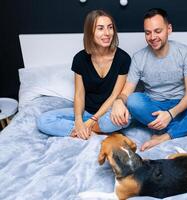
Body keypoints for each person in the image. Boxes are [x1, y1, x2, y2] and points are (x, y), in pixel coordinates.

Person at [110, 8, 187, 151]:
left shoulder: (185, 52)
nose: (152, 37)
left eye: (158, 31)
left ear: (169, 29)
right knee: (134, 101)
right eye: (148, 33)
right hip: (154, 109)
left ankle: (166, 135)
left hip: (182, 107)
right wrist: (118, 101)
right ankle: (186, 130)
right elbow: (126, 92)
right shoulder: (139, 58)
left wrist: (170, 114)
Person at [37, 10, 131, 139]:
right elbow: (79, 94)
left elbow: (115, 95)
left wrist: (92, 120)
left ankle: (85, 130)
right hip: (87, 111)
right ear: (90, 32)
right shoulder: (80, 59)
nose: (107, 33)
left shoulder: (123, 58)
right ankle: (87, 131)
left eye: (110, 27)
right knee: (43, 120)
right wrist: (79, 120)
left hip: (109, 113)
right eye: (100, 28)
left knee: (124, 119)